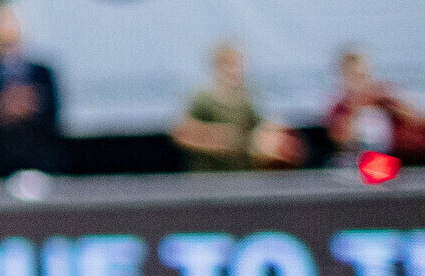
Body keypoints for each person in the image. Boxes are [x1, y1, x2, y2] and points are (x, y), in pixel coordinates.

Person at [0, 4, 67, 176]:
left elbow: (55, 116)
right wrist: (0, 110)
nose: (9, 53)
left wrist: (31, 106)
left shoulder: (42, 74)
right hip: (0, 165)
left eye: (13, 43)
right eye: (3, 44)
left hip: (40, 163)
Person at [168, 42, 300, 171]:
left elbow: (257, 130)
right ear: (217, 66)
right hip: (208, 176)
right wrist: (220, 138)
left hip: (242, 175)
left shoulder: (248, 97)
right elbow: (182, 134)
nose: (234, 70)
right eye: (228, 64)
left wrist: (274, 137)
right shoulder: (202, 98)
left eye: (238, 64)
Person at [324, 49, 425, 168]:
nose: (358, 82)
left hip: (409, 159)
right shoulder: (341, 107)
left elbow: (417, 119)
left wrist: (392, 105)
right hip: (379, 163)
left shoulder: (386, 96)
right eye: (352, 76)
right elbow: (338, 139)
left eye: (361, 76)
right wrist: (354, 107)